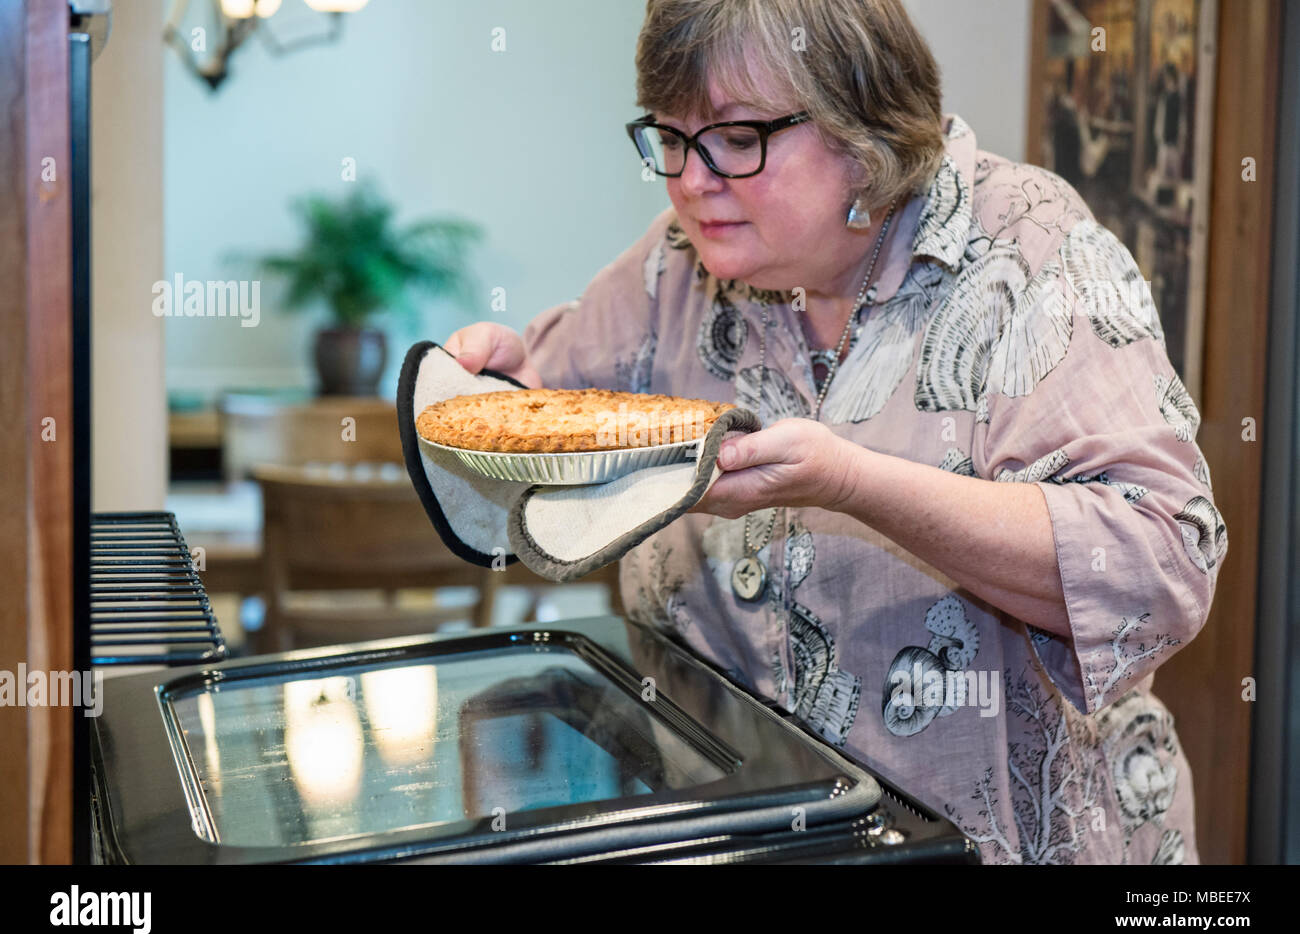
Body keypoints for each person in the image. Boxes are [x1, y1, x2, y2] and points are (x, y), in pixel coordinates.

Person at [445, 0, 1225, 865]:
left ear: (864, 132)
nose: (691, 180)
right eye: (669, 139)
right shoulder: (678, 265)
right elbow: (555, 430)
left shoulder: (1030, 253)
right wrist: (509, 381)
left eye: (737, 139)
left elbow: (1161, 563)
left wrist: (853, 482)